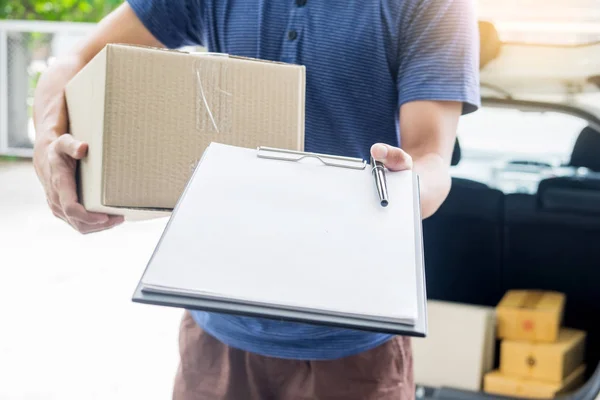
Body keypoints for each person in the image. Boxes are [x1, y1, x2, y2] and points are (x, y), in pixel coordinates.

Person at [32, 1, 480, 399]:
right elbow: (73, 60)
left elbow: (430, 157)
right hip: (216, 328)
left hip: (353, 340)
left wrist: (405, 189)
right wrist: (49, 148)